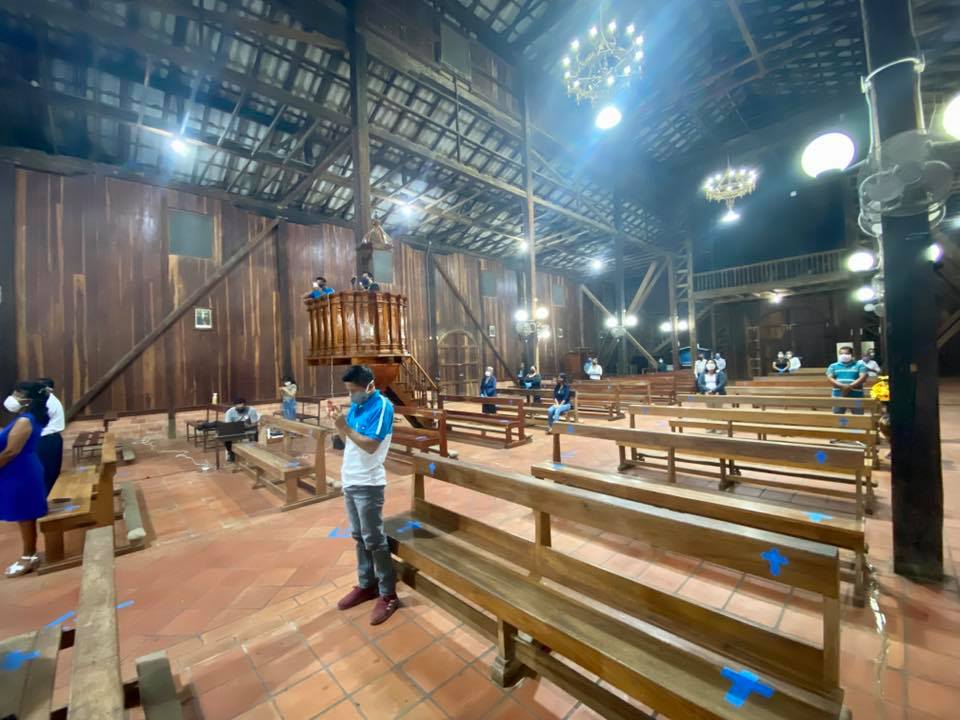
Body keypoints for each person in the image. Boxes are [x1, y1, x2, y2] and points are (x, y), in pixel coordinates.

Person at [328, 365, 399, 626]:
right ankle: (367, 584)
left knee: (374, 539)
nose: (351, 396)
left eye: (353, 390)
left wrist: (344, 426)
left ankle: (388, 594)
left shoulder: (382, 406)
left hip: (369, 483)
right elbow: (349, 441)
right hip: (351, 479)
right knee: (359, 536)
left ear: (369, 386)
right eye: (348, 391)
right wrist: (339, 424)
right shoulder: (357, 406)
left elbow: (370, 446)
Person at [1, 381, 50, 578]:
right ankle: (29, 554)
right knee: (24, 514)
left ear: (28, 399)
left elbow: (11, 451)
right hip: (20, 469)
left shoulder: (24, 421)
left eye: (18, 393)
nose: (13, 397)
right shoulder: (27, 417)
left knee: (25, 514)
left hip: (20, 471)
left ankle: (28, 556)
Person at [35, 377, 64, 496]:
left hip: (48, 439)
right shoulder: (45, 400)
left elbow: (37, 420)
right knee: (47, 471)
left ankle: (46, 497)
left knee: (47, 472)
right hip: (48, 439)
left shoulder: (49, 402)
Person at [826, 347, 868, 414]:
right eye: (841, 354)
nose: (844, 355)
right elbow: (829, 378)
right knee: (838, 416)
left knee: (858, 415)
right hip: (838, 396)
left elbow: (863, 377)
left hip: (857, 396)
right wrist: (842, 386)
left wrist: (850, 386)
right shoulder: (833, 366)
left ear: (852, 354)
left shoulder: (860, 365)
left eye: (846, 353)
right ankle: (843, 422)